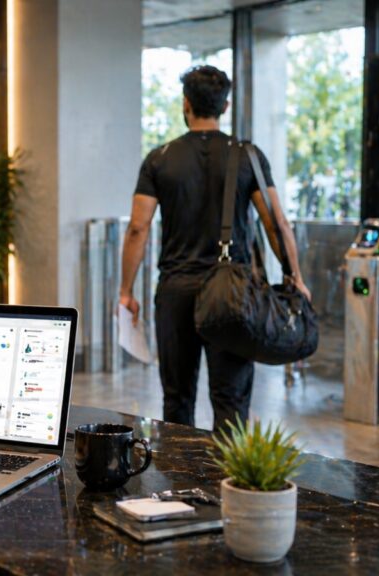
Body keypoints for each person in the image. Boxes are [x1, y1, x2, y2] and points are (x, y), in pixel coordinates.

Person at [118, 65, 310, 433]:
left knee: (177, 399)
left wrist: (126, 291)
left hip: (176, 292)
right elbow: (276, 224)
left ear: (185, 104)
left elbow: (137, 228)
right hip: (232, 295)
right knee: (231, 400)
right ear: (225, 107)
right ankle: (226, 487)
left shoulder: (159, 159)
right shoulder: (248, 156)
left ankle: (180, 485)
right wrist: (295, 278)